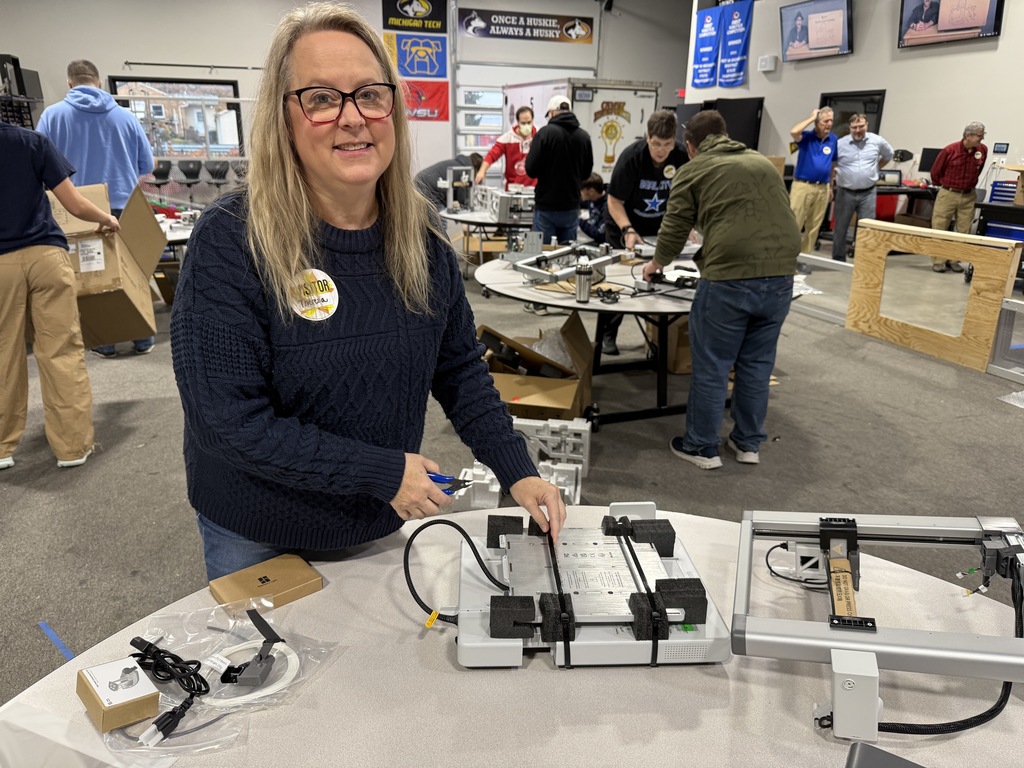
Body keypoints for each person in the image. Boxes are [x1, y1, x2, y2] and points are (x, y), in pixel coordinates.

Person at [169, 2, 566, 580]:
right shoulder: (232, 240)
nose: (352, 117)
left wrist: (516, 468)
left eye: (369, 94)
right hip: (259, 530)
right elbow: (226, 422)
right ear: (283, 117)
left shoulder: (421, 237)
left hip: (376, 519)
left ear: (393, 111)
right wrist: (380, 472)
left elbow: (458, 371)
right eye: (322, 98)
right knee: (272, 670)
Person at [643, 110, 799, 470]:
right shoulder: (761, 162)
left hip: (730, 276)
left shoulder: (693, 170)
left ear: (690, 145)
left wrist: (656, 264)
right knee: (757, 365)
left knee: (713, 365)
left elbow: (676, 224)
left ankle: (701, 447)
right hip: (781, 275)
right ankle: (747, 444)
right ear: (726, 135)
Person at [0, 119, 120, 471]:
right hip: (47, 259)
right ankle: (72, 447)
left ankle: (2, 447)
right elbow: (74, 203)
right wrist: (107, 219)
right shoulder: (32, 142)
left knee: (3, 353)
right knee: (61, 351)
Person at [37, 59, 156, 358]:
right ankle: (142, 338)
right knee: (134, 273)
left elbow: (39, 166)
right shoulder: (127, 118)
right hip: (125, 204)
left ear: (69, 83)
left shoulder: (52, 117)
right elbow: (148, 166)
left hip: (79, 210)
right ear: (99, 82)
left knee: (91, 276)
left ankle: (104, 341)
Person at [602, 110, 689, 355]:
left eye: (667, 144)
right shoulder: (632, 157)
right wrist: (628, 230)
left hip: (659, 225)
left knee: (659, 275)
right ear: (646, 137)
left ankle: (657, 337)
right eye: (656, 144)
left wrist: (688, 225)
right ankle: (608, 334)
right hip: (624, 222)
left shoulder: (681, 156)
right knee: (617, 281)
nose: (661, 150)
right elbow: (615, 201)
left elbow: (688, 196)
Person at [525, 94, 593, 245]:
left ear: (552, 112)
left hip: (546, 206)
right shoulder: (584, 137)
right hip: (571, 206)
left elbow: (531, 169)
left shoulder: (544, 134)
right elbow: (587, 173)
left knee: (542, 256)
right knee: (567, 255)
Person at [831, 114, 893, 262]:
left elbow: (889, 154)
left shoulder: (877, 141)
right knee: (841, 227)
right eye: (854, 127)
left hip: (868, 192)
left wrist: (876, 168)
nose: (858, 130)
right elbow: (832, 164)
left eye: (861, 127)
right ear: (849, 128)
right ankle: (838, 258)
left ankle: (863, 259)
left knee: (867, 228)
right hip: (845, 192)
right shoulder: (840, 144)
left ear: (867, 125)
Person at [929, 121, 987, 273]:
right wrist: (946, 185)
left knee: (963, 230)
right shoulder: (950, 150)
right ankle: (939, 261)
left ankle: (954, 259)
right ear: (968, 136)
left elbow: (978, 169)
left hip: (968, 195)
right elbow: (935, 172)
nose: (982, 139)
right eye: (979, 136)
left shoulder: (982, 150)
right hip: (948, 193)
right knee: (940, 227)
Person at [788, 107, 837, 256]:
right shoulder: (807, 137)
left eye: (831, 121)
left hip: (822, 187)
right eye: (825, 121)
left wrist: (831, 187)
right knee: (795, 223)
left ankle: (805, 257)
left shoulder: (833, 139)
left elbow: (833, 164)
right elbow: (793, 132)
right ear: (817, 122)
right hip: (803, 186)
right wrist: (811, 118)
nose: (828, 124)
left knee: (814, 225)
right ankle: (789, 257)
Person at [474, 106, 537, 190]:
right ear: (518, 122)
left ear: (532, 121)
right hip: (514, 189)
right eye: (523, 123)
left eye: (529, 122)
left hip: (535, 189)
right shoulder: (507, 139)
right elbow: (492, 155)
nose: (526, 125)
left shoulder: (540, 136)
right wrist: (482, 171)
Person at [414, 152, 482, 210]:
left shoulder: (457, 164)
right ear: (477, 168)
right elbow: (462, 198)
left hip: (420, 182)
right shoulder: (464, 170)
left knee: (426, 221)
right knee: (441, 221)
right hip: (427, 188)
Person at [579, 173, 607, 245]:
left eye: (581, 190)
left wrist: (579, 221)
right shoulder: (593, 198)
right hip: (594, 237)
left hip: (603, 244)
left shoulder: (607, 208)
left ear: (591, 191)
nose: (580, 193)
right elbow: (580, 203)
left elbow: (599, 234)